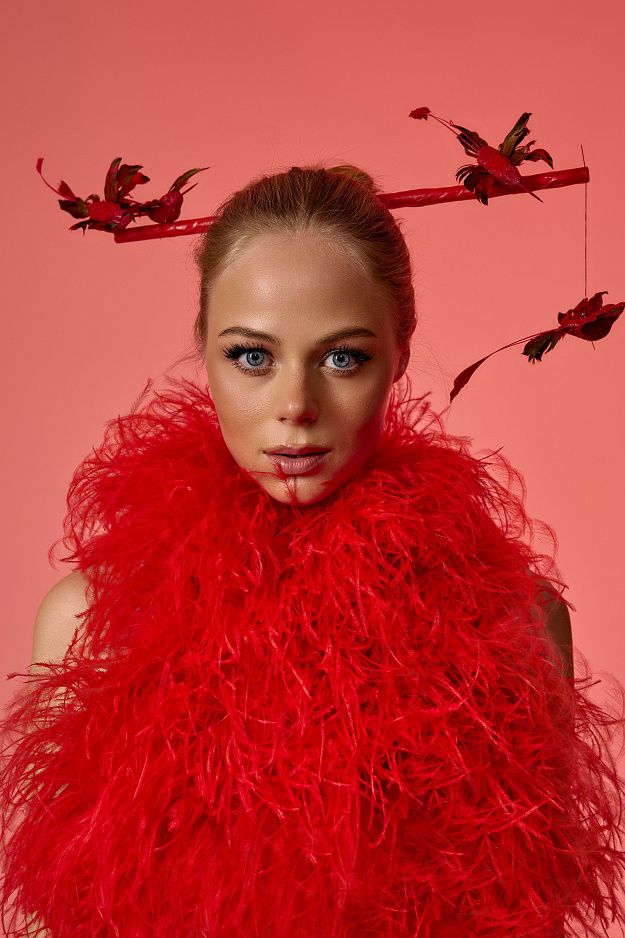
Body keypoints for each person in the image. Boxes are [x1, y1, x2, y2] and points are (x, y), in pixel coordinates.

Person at [1, 164, 623, 936]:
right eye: (251, 356)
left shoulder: (515, 620)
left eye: (342, 358)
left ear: (400, 352)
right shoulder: (90, 619)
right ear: (202, 348)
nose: (295, 406)